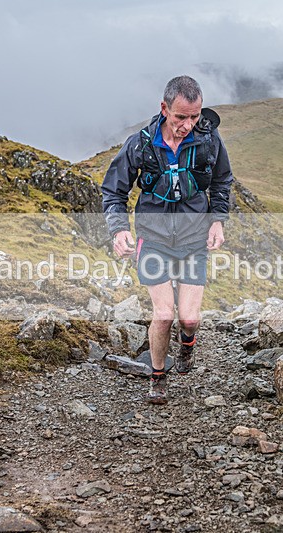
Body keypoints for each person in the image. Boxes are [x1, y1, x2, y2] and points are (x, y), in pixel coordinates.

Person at [102, 75, 234, 404]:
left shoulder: (209, 139)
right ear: (164, 108)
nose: (188, 125)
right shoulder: (141, 144)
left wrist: (218, 221)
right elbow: (113, 191)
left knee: (189, 318)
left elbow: (222, 181)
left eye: (195, 116)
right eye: (181, 117)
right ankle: (158, 376)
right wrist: (119, 229)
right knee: (163, 314)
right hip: (153, 238)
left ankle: (187, 343)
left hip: (193, 238)